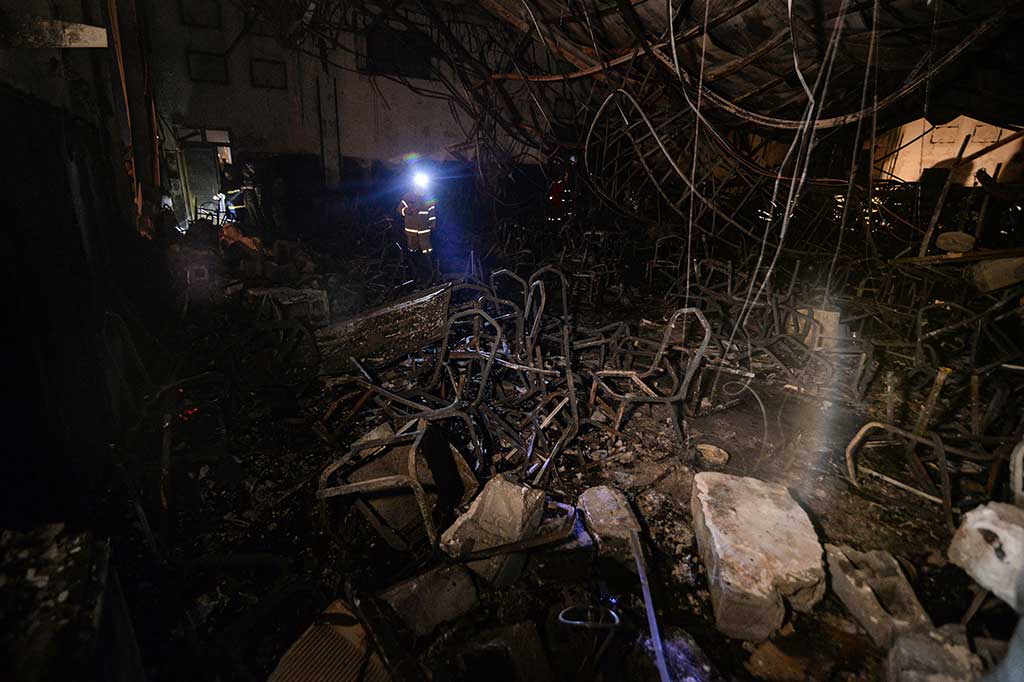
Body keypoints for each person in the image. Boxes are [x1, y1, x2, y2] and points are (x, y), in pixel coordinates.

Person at [400, 175, 437, 284]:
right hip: (411, 231)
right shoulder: (408, 197)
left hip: (424, 230)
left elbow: (432, 211)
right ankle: (414, 272)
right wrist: (407, 210)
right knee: (412, 250)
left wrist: (433, 222)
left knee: (427, 251)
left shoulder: (428, 197)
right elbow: (400, 208)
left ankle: (430, 272)